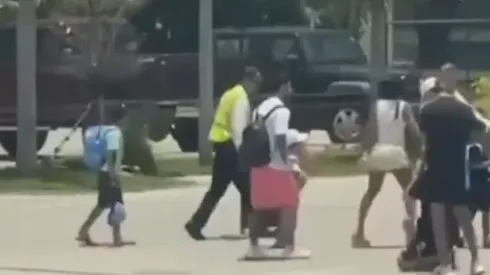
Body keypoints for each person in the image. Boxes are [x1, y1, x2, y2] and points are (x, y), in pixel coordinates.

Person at [417, 76, 486, 275]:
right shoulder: (464, 110)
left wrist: (420, 168)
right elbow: (478, 132)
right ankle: (476, 262)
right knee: (463, 215)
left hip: (436, 166)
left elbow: (425, 142)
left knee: (438, 217)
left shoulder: (427, 111)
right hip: (458, 165)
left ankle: (446, 264)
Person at [184, 66, 262, 240]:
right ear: (247, 81)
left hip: (221, 146)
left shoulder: (230, 93)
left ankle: (196, 223)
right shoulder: (240, 97)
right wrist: (243, 152)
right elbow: (238, 126)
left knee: (217, 189)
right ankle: (248, 228)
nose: (256, 88)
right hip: (231, 148)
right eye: (255, 83)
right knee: (249, 189)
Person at [352, 77, 423, 248]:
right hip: (397, 153)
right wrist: (420, 148)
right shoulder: (404, 106)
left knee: (371, 191)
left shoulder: (375, 106)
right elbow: (413, 129)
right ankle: (412, 231)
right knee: (409, 192)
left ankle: (359, 232)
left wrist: (366, 150)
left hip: (379, 152)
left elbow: (371, 128)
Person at [247, 77, 299, 257]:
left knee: (258, 207)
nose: (291, 91)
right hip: (277, 165)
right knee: (290, 204)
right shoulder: (282, 111)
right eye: (290, 86)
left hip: (257, 162)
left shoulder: (260, 107)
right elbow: (280, 138)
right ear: (283, 87)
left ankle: (254, 247)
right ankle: (286, 246)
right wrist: (287, 160)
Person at [76, 103, 131, 247]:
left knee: (107, 203)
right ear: (123, 118)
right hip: (109, 172)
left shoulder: (105, 129)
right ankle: (113, 238)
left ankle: (86, 231)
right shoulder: (114, 132)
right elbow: (112, 152)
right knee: (113, 204)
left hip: (104, 171)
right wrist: (113, 174)